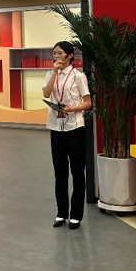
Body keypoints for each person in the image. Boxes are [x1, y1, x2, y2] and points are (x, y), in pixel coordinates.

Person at [41, 41, 91, 230]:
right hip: (56, 127)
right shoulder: (50, 74)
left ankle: (76, 215)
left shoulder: (78, 76)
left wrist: (71, 109)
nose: (56, 57)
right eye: (54, 53)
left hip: (75, 128)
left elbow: (87, 103)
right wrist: (54, 73)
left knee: (77, 172)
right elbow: (46, 93)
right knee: (59, 172)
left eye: (60, 53)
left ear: (70, 56)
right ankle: (61, 212)